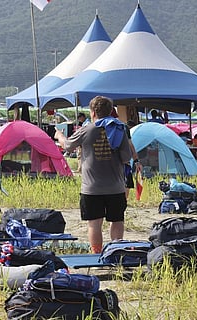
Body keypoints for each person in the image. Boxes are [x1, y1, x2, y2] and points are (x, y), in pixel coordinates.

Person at [54, 96, 131, 254]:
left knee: (94, 224)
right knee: (117, 221)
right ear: (110, 111)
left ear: (93, 112)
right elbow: (125, 157)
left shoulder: (86, 129)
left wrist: (59, 136)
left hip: (92, 188)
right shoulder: (120, 129)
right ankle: (116, 254)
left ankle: (97, 255)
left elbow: (68, 146)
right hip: (116, 187)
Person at [125, 120, 142, 199]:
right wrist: (136, 161)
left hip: (105, 165)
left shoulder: (94, 127)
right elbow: (130, 145)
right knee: (126, 184)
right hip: (123, 162)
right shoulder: (123, 127)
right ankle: (124, 203)